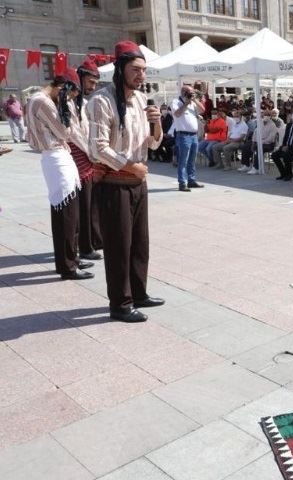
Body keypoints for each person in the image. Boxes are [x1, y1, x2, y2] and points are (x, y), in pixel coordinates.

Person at [87, 40, 165, 322]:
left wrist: (157, 123)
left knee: (139, 243)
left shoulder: (142, 100)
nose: (141, 75)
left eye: (144, 70)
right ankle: (120, 304)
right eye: (135, 69)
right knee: (119, 246)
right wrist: (132, 167)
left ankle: (139, 293)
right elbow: (97, 148)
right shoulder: (101, 101)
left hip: (137, 182)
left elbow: (153, 145)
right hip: (114, 183)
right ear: (119, 69)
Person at [28, 69, 93, 281]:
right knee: (67, 214)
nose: (69, 100)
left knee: (67, 214)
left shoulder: (41, 100)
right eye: (69, 95)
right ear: (62, 88)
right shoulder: (43, 101)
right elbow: (65, 132)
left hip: (57, 157)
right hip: (56, 157)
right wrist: (64, 107)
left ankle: (69, 258)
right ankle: (68, 265)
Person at [71, 58, 103, 261]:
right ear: (80, 79)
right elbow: (76, 134)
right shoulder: (71, 103)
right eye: (90, 82)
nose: (93, 87)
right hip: (79, 159)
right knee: (83, 205)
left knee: (91, 203)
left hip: (88, 158)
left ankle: (92, 240)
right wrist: (94, 155)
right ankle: (84, 246)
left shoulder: (82, 102)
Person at [171, 84, 205, 191]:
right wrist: (186, 103)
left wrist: (194, 100)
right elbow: (177, 114)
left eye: (192, 92)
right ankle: (182, 183)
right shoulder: (176, 102)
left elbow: (202, 109)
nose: (191, 94)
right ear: (183, 92)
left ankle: (191, 180)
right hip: (183, 135)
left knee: (192, 160)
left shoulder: (192, 104)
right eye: (189, 92)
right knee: (183, 160)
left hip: (193, 135)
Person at [241, 110, 278, 175]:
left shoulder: (273, 125)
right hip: (258, 141)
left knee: (258, 148)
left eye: (267, 115)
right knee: (246, 146)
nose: (266, 116)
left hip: (268, 144)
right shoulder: (260, 123)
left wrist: (260, 142)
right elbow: (255, 133)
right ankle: (246, 165)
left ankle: (256, 168)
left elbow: (271, 138)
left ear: (270, 116)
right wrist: (253, 142)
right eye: (264, 115)